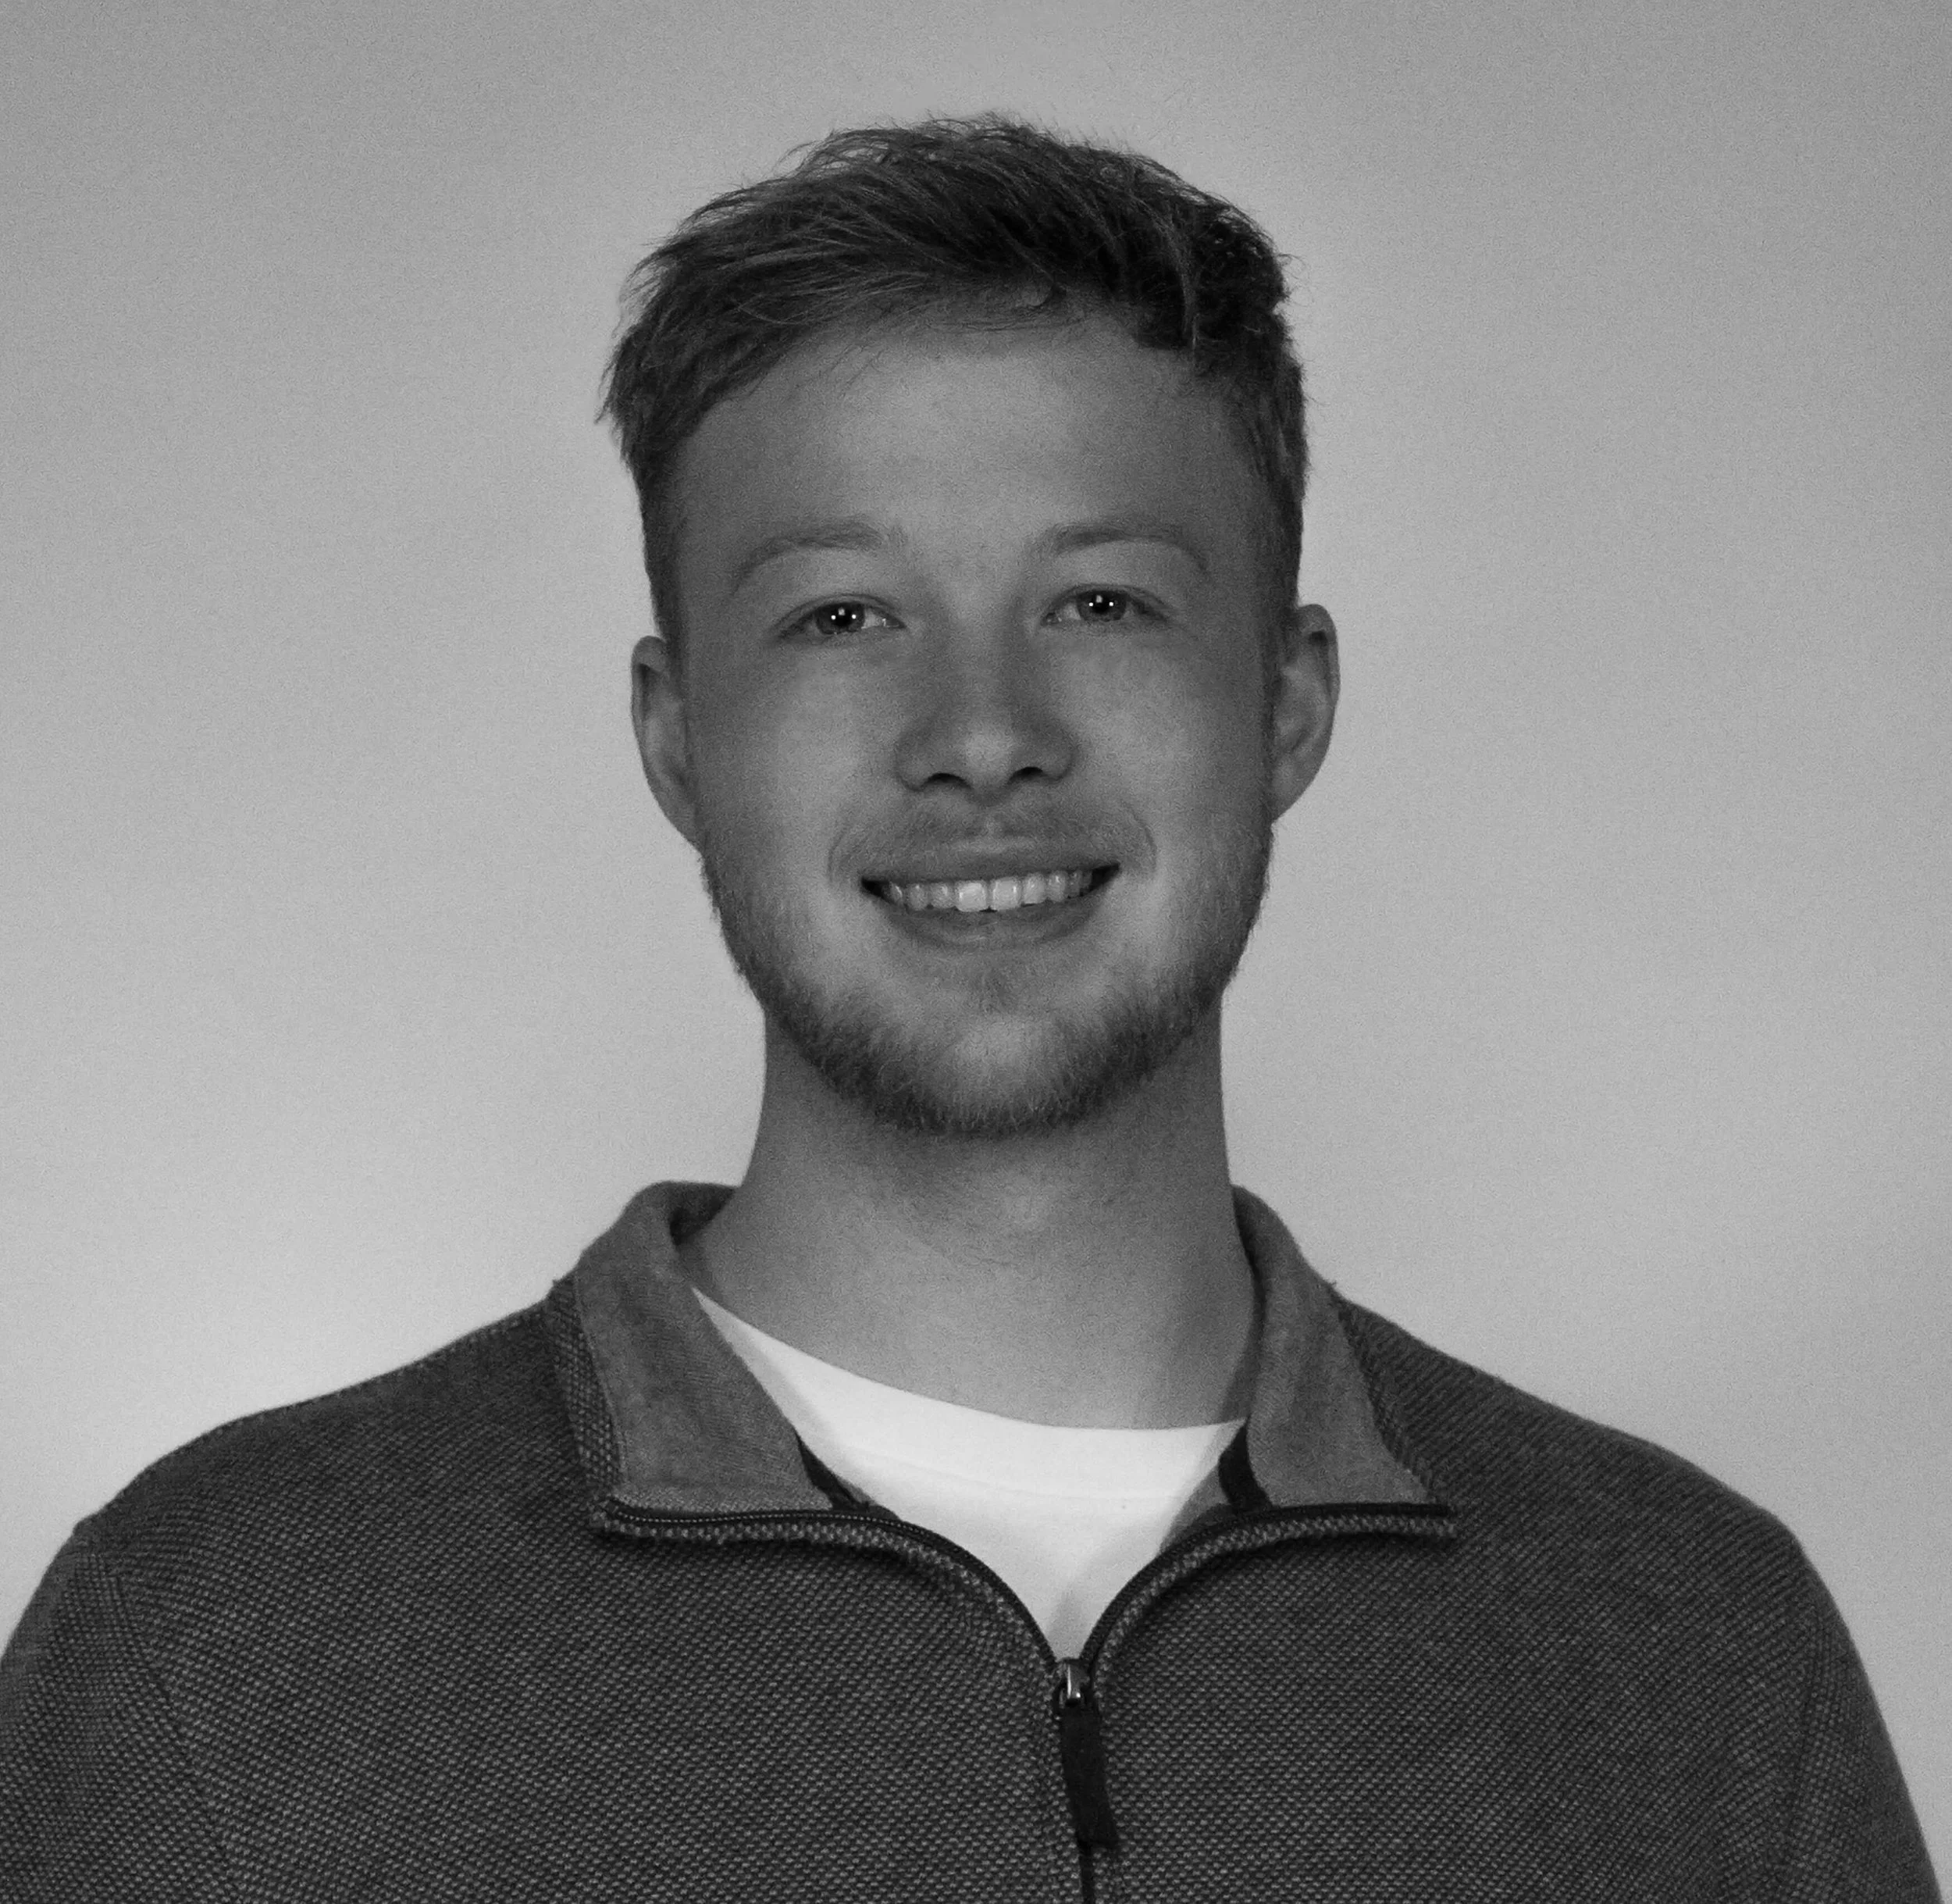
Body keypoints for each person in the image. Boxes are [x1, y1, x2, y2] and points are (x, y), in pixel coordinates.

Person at [0, 115, 1936, 1902]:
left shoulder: (1698, 1650)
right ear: (677, 738)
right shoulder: (214, 1648)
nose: (981, 737)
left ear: (1287, 701)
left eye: (1100, 602)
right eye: (843, 615)